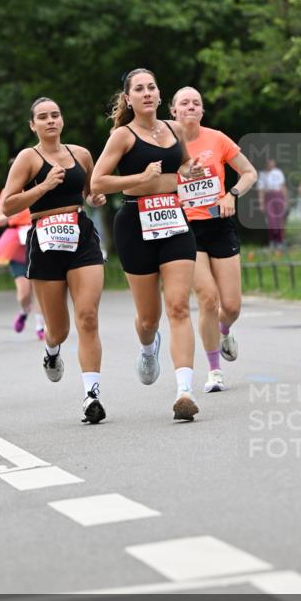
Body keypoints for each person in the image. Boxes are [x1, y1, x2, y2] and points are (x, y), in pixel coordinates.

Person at [91, 68, 206, 422]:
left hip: (173, 218)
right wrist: (140, 178)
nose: (146, 93)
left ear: (159, 94)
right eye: (138, 89)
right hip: (134, 222)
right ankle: (147, 346)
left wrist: (191, 172)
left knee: (179, 307)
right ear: (128, 98)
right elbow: (98, 180)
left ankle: (184, 391)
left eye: (152, 87)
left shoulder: (173, 129)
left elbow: (183, 164)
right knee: (148, 317)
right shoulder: (122, 137)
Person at [1, 97, 107, 424]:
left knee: (87, 316)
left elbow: (89, 191)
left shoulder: (81, 154)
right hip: (45, 240)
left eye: (55, 115)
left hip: (81, 236)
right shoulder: (27, 158)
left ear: (62, 120)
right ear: (33, 125)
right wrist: (44, 186)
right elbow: (8, 205)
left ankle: (92, 396)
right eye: (43, 117)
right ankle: (51, 351)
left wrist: (95, 197)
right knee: (58, 329)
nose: (50, 121)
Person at [170, 87, 257, 393]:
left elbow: (249, 173)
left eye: (196, 103)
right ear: (174, 111)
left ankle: (224, 330)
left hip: (219, 224)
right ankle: (214, 371)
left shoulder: (217, 138)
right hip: (186, 229)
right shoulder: (167, 144)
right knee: (208, 298)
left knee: (231, 306)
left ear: (202, 111)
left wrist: (231, 194)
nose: (191, 106)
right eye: (184, 103)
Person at [0, 188, 45, 339]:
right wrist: (9, 214)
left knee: (38, 287)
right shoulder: (7, 191)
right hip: (16, 245)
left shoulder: (39, 185)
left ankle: (40, 325)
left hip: (37, 238)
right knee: (24, 293)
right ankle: (24, 311)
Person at [257, 158, 288, 251]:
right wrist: (261, 203)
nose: (271, 165)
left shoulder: (278, 172)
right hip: (269, 196)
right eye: (269, 163)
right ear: (266, 164)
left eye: (272, 163)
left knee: (280, 219)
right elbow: (261, 190)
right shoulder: (262, 174)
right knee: (271, 219)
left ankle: (280, 241)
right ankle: (272, 240)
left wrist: (285, 201)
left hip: (278, 195)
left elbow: (283, 187)